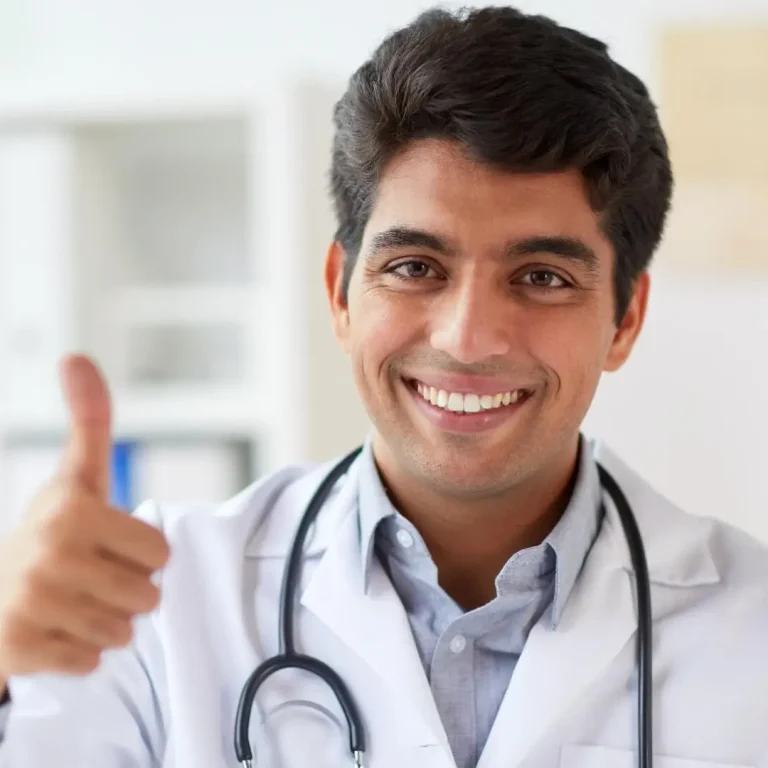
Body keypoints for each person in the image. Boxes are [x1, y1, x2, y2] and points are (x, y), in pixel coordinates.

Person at [1, 5, 767, 768]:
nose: (466, 338)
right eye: (414, 268)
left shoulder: (748, 627)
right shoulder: (150, 603)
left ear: (625, 320)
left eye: (541, 277)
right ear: (340, 293)